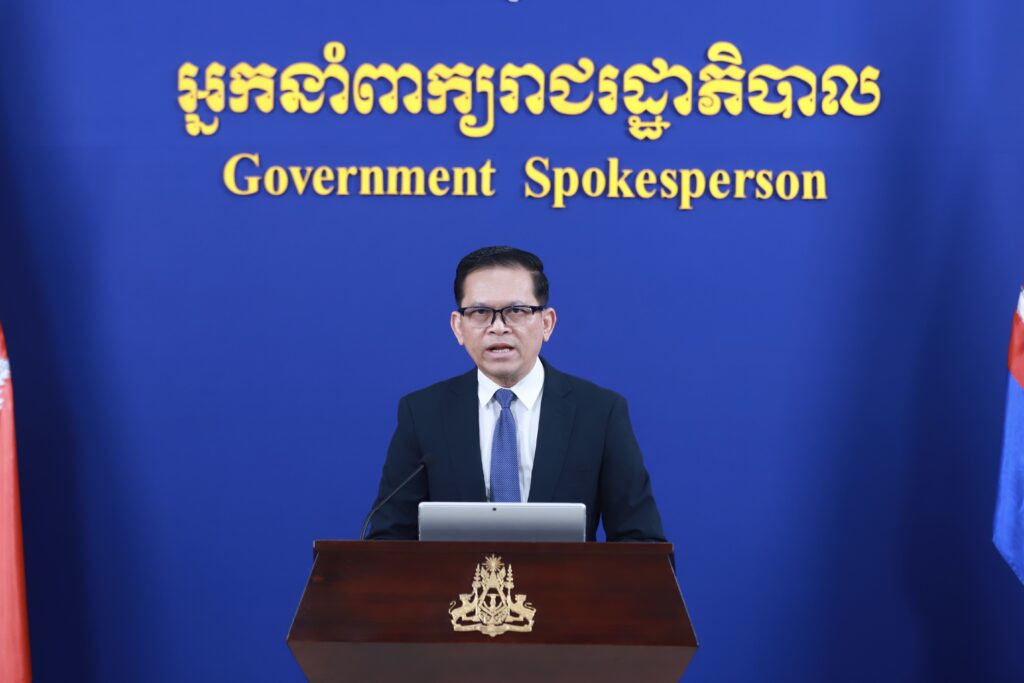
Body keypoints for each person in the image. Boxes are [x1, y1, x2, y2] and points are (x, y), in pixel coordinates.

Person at [366, 246, 666, 542]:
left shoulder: (600, 413)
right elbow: (388, 541)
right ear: (458, 327)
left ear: (547, 323)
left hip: (563, 578)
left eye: (516, 311)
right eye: (480, 312)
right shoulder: (423, 414)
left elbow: (641, 543)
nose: (498, 327)